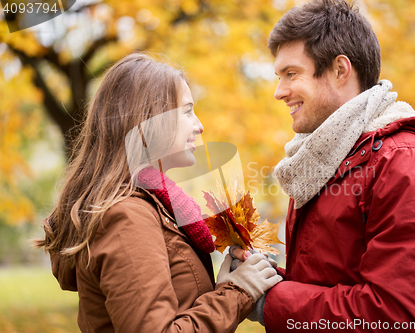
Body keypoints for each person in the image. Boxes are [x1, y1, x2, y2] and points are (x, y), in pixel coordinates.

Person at [242, 0, 415, 331]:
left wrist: (272, 302)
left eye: (291, 74)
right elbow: (330, 282)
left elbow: (401, 317)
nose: (279, 92)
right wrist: (260, 281)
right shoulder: (326, 159)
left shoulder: (407, 164)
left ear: (340, 70)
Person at [35, 52, 281, 333]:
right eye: (187, 111)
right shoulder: (126, 217)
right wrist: (237, 293)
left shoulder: (155, 207)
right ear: (149, 118)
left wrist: (224, 288)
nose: (199, 125)